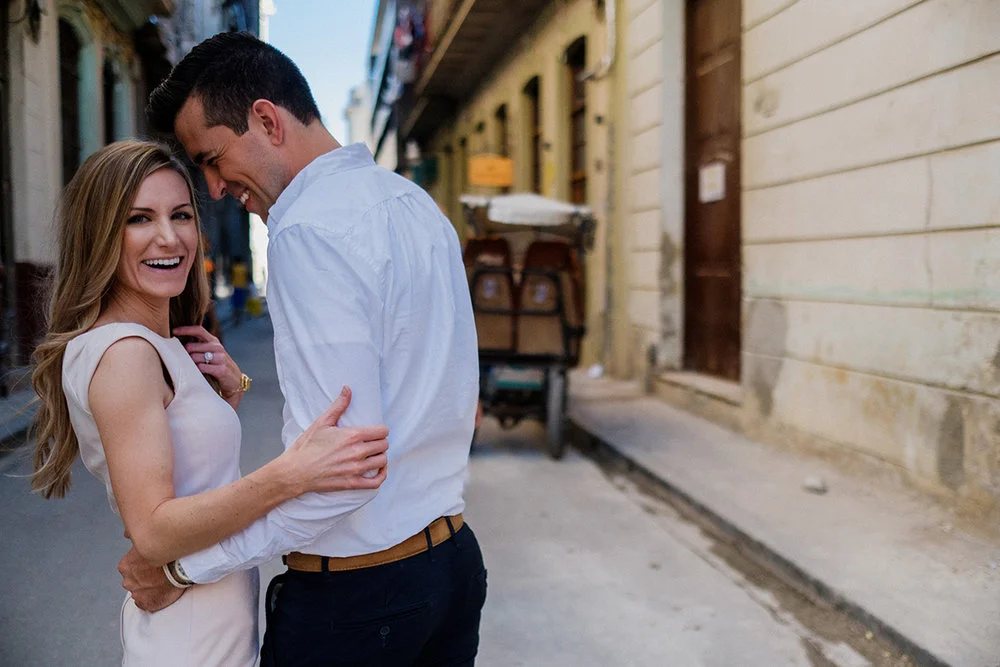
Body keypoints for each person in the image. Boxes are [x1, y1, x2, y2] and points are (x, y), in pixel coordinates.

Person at [124, 31, 487, 666]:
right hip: (453, 568)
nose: (212, 189)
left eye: (211, 159)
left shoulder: (306, 230)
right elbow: (464, 406)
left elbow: (342, 478)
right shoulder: (417, 206)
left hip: (362, 602)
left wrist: (183, 568)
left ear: (266, 119)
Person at [30, 140, 390, 666]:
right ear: (100, 234)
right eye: (138, 219)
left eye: (181, 215)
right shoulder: (126, 352)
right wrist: (292, 474)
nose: (169, 237)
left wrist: (228, 397)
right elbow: (153, 531)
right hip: (190, 636)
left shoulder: (157, 345)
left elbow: (190, 471)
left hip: (212, 618)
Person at [229, 255, 250, 326]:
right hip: (243, 287)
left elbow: (231, 277)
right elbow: (247, 277)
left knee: (235, 304)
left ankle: (236, 319)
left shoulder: (234, 267)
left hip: (236, 287)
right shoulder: (244, 267)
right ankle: (241, 317)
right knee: (242, 303)